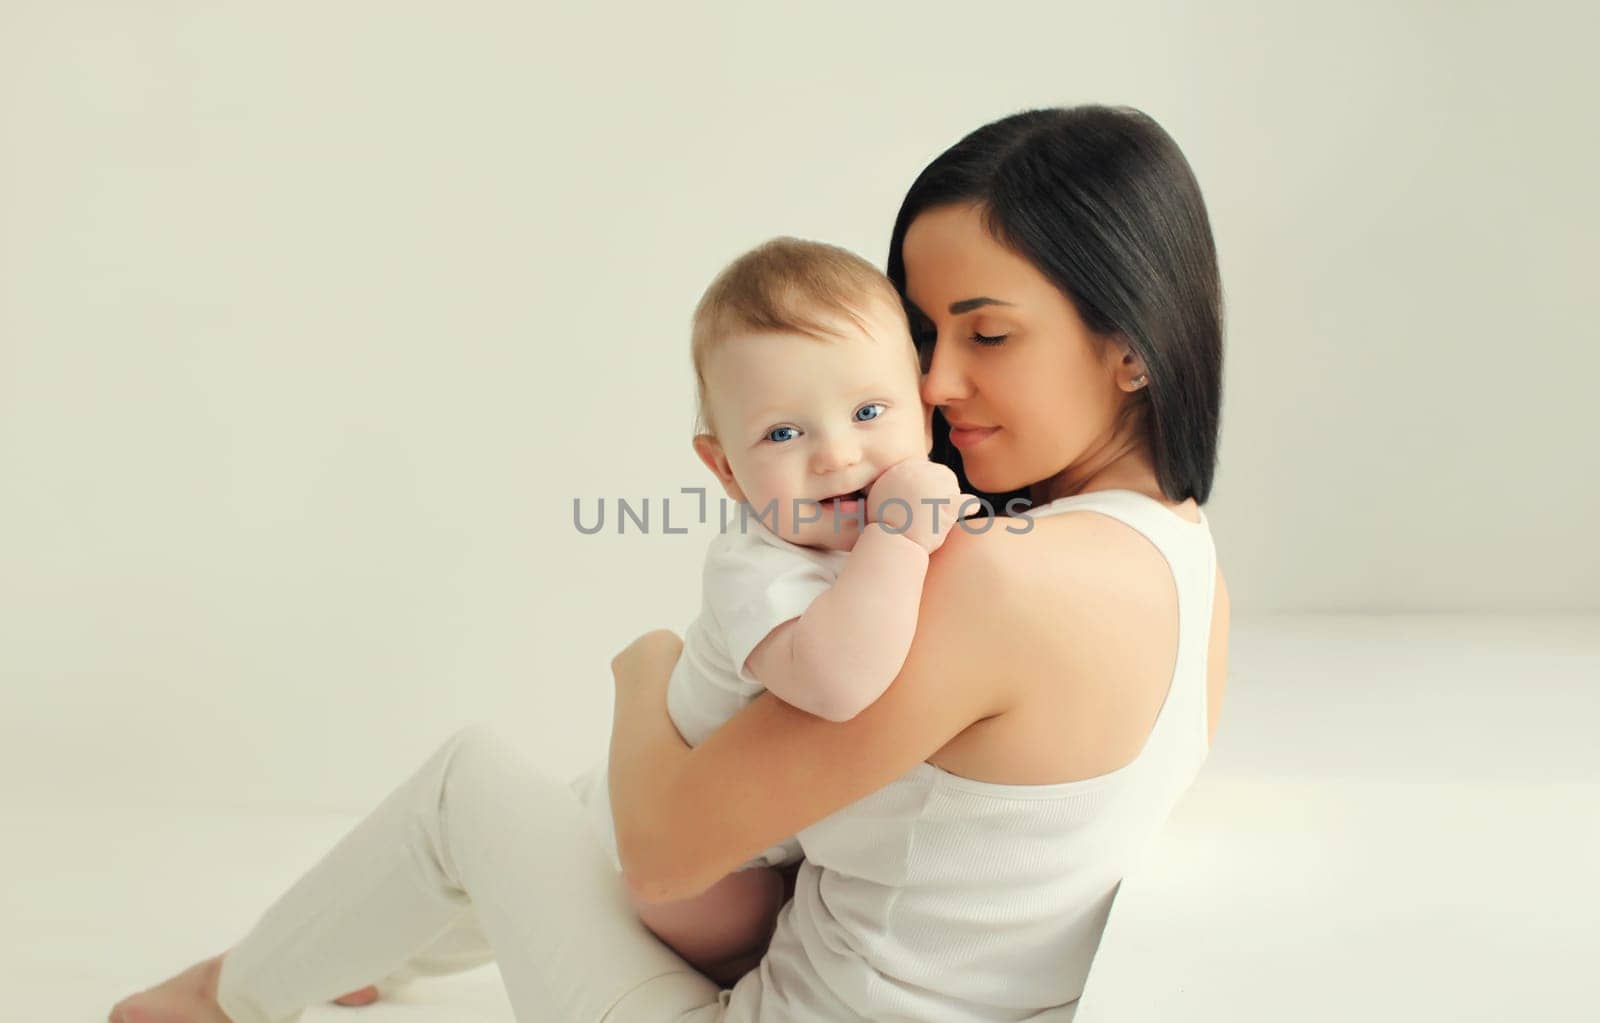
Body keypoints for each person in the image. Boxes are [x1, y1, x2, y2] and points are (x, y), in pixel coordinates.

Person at [107, 103, 1229, 1023]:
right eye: (923, 337)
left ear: (1129, 346)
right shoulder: (1188, 562)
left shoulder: (995, 578)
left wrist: (640, 670)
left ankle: (223, 1001)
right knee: (588, 798)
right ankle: (371, 948)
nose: (935, 386)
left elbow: (660, 854)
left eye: (986, 335)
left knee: (472, 784)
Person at [566, 235, 965, 986]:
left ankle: (422, 935)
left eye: (869, 410)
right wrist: (902, 533)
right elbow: (837, 681)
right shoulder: (755, 563)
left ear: (924, 407)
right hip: (695, 864)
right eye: (784, 432)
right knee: (724, 919)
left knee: (519, 860)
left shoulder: (908, 517)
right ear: (723, 468)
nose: (837, 454)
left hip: (772, 830)